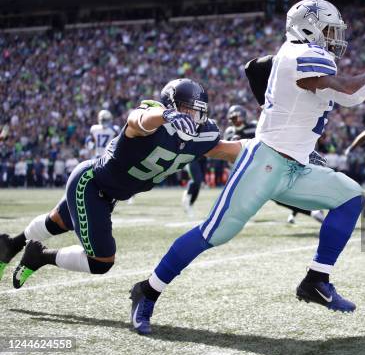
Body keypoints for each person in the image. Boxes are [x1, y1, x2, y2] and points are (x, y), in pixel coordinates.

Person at [129, 0, 365, 335]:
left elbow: (262, 71)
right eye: (330, 29)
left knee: (350, 197)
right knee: (214, 234)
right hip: (264, 161)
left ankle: (316, 280)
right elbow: (350, 94)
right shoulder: (299, 52)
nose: (335, 38)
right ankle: (147, 290)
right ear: (309, 26)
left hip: (296, 167)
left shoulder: (306, 57)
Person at [0, 79, 243, 289]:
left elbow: (232, 151)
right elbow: (137, 120)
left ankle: (10, 244)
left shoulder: (203, 135)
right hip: (92, 183)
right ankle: (39, 257)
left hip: (112, 193)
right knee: (101, 261)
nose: (192, 119)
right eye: (186, 111)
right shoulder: (154, 116)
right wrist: (166, 116)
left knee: (57, 222)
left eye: (197, 112)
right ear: (170, 106)